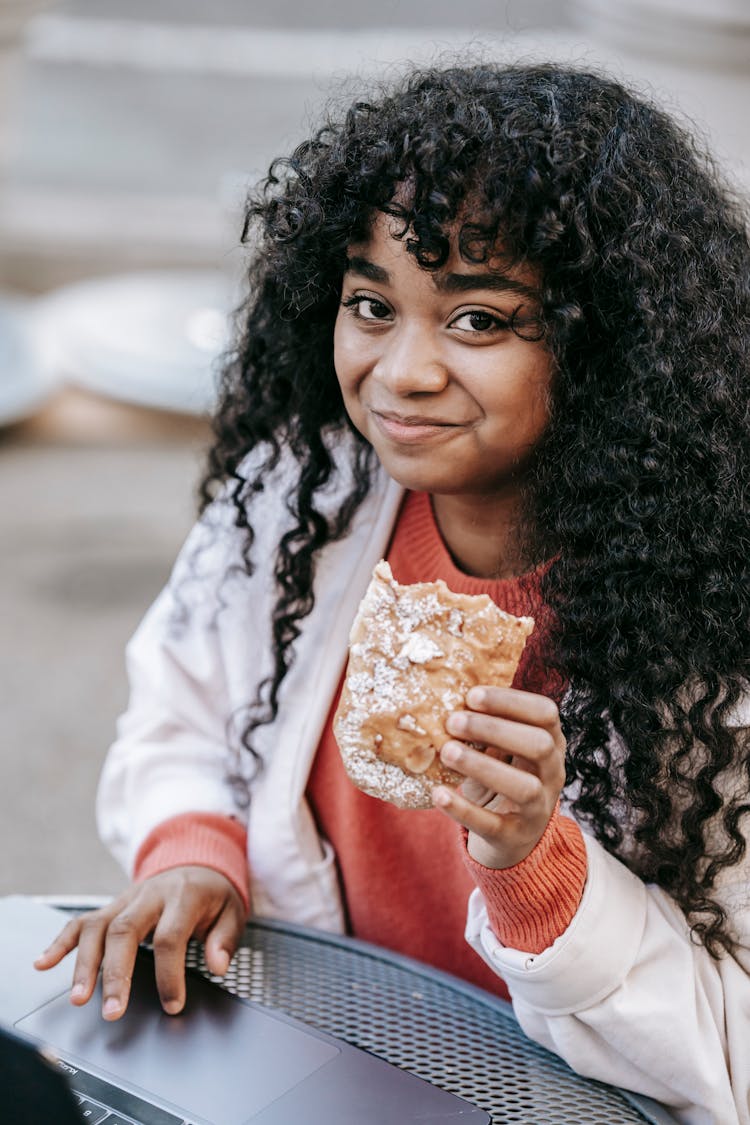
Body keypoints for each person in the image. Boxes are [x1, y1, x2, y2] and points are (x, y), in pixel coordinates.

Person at [36, 62, 750, 1123]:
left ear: (608, 348)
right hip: (313, 1062)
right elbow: (182, 707)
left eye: (478, 320)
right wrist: (193, 849)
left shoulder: (713, 633)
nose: (401, 371)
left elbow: (724, 1053)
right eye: (372, 303)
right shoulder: (304, 495)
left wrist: (535, 862)